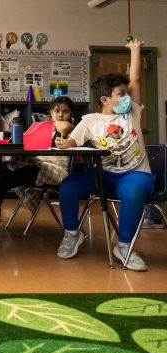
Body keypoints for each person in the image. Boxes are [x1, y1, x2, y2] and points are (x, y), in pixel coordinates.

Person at [55, 38, 154, 271]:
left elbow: (136, 79)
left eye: (127, 92)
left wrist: (135, 49)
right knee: (68, 186)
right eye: (122, 93)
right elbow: (73, 140)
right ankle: (72, 233)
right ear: (105, 100)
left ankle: (124, 246)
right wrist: (65, 142)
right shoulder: (90, 120)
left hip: (135, 173)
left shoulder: (131, 113)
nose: (127, 96)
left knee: (131, 191)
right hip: (103, 174)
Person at [0, 96, 76, 236]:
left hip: (54, 171)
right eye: (57, 111)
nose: (60, 115)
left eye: (65, 112)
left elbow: (65, 126)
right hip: (38, 165)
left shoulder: (72, 130)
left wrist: (53, 124)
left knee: (3, 179)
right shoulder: (44, 128)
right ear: (50, 112)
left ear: (71, 114)